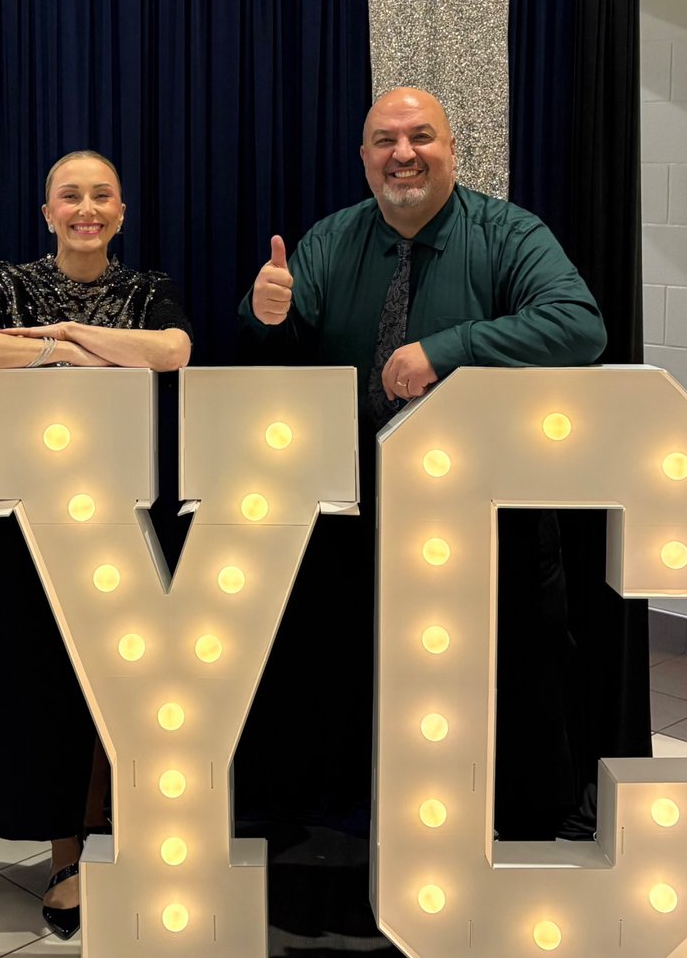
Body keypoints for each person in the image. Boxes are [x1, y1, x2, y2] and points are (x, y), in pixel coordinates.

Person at [236, 87, 608, 839]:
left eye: (420, 136)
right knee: (349, 685)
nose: (402, 154)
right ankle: (367, 841)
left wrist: (448, 350)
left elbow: (579, 325)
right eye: (384, 140)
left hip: (487, 521)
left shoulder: (509, 232)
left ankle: (520, 834)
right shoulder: (332, 238)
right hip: (355, 519)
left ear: (451, 149)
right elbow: (278, 353)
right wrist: (264, 314)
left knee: (513, 684)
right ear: (365, 157)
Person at [0, 150, 191, 938]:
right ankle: (65, 857)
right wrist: (62, 353)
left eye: (101, 195)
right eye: (70, 196)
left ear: (120, 212)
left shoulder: (147, 289)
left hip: (124, 506)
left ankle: (135, 841)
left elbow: (174, 350)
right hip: (23, 516)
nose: (86, 207)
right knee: (44, 681)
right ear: (47, 211)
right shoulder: (6, 282)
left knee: (123, 678)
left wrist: (76, 331)